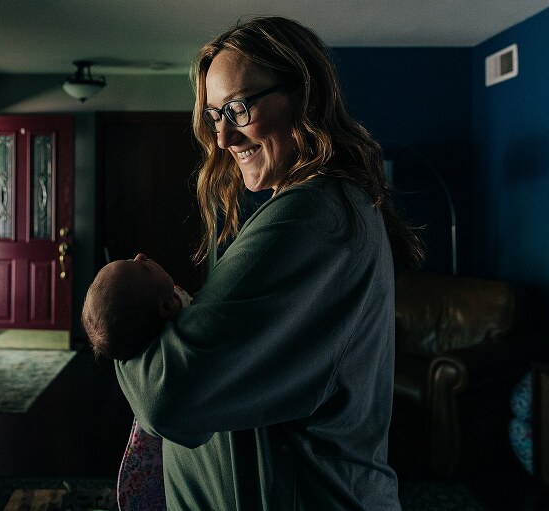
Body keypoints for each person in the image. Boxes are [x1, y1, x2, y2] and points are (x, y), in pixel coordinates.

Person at [114, 16, 424, 510]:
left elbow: (165, 397)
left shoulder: (313, 215)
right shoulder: (319, 205)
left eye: (238, 108)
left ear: (306, 95)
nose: (223, 138)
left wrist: (116, 323)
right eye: (215, 115)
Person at [82, 255, 191, 511]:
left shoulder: (157, 315)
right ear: (164, 309)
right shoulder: (183, 328)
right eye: (140, 267)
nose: (140, 255)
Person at [81, 255, 191, 361]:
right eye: (145, 268)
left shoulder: (163, 297)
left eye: (130, 260)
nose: (140, 256)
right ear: (166, 308)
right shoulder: (192, 328)